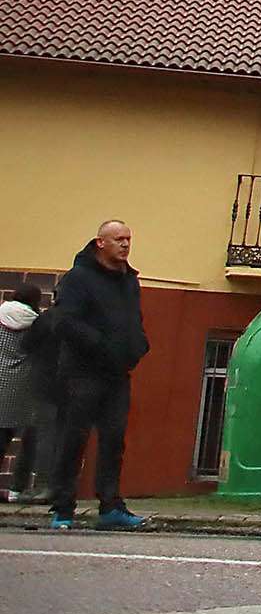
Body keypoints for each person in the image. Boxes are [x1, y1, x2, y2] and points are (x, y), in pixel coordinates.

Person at [46, 220, 149, 531]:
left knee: (114, 440)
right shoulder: (78, 279)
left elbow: (134, 319)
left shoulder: (129, 280)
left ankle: (111, 506)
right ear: (100, 242)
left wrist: (139, 344)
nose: (125, 245)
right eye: (118, 239)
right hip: (81, 373)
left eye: (128, 239)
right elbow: (64, 322)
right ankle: (63, 508)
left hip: (118, 373)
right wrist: (100, 345)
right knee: (72, 439)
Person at [0, 286, 48, 505]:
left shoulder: (0, 314)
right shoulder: (36, 323)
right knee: (27, 437)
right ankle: (17, 489)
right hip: (23, 385)